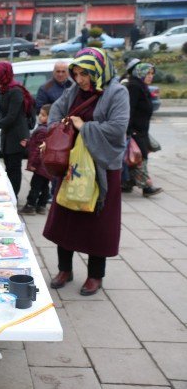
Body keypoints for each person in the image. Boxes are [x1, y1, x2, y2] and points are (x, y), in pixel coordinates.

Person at [44, 47, 129, 296]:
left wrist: (85, 127)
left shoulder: (117, 92)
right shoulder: (74, 91)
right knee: (65, 218)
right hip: (74, 165)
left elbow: (118, 127)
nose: (80, 79)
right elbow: (56, 112)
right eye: (77, 73)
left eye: (85, 74)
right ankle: (65, 270)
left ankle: (95, 276)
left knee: (98, 223)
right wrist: (58, 129)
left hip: (101, 167)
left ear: (99, 71)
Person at [0, 61, 34, 197]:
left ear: (3, 76)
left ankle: (14, 196)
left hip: (17, 136)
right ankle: (9, 194)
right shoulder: (4, 90)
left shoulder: (15, 91)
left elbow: (11, 117)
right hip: (7, 135)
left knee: (14, 168)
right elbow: (2, 114)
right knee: (8, 167)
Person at [123, 62, 163, 197]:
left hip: (141, 130)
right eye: (148, 73)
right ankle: (146, 187)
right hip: (135, 130)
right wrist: (129, 130)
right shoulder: (134, 87)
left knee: (134, 156)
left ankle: (127, 183)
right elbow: (129, 109)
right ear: (140, 73)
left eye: (152, 74)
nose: (150, 76)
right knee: (140, 157)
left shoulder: (141, 86)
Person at [19, 104, 52, 215]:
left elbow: (38, 150)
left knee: (35, 185)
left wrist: (33, 163)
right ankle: (42, 206)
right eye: (40, 114)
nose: (40, 117)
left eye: (43, 115)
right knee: (45, 186)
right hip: (47, 166)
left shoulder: (43, 130)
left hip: (40, 165)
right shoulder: (50, 129)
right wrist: (28, 143)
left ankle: (30, 206)